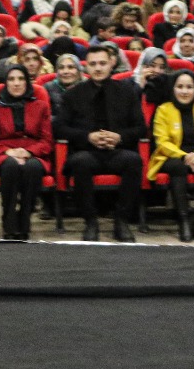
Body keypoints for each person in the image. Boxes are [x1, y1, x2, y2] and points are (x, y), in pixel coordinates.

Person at [56, 45, 147, 241]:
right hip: (86, 151)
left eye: (102, 63)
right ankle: (91, 222)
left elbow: (141, 128)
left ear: (111, 64)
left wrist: (119, 137)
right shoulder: (72, 94)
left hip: (118, 151)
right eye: (93, 64)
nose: (98, 68)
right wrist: (88, 137)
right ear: (86, 67)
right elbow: (60, 128)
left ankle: (121, 221)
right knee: (81, 162)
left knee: (134, 161)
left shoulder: (127, 92)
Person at [147, 70, 194, 242]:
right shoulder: (163, 110)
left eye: (189, 87)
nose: (184, 91)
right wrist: (185, 156)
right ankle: (184, 219)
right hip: (170, 156)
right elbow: (162, 141)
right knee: (177, 166)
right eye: (180, 87)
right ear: (173, 89)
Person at [0, 64, 53, 240]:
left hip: (34, 154)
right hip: (3, 155)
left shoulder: (41, 106)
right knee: (10, 166)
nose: (16, 83)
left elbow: (46, 141)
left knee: (33, 168)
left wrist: (27, 152)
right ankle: (9, 219)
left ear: (27, 82)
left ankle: (25, 218)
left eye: (21, 79)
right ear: (5, 83)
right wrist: (10, 152)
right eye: (11, 79)